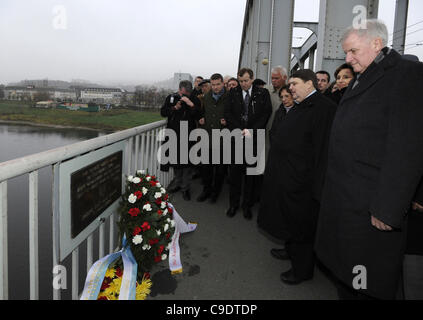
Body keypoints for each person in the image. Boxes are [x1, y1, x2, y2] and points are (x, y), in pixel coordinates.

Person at [315, 19, 423, 300]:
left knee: (367, 281)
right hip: (346, 198)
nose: (347, 59)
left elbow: (408, 147)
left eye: (352, 51)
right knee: (347, 275)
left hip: (370, 204)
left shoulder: (407, 74)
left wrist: (388, 208)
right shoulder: (365, 75)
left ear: (377, 44)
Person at [258, 71, 336, 285]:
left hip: (303, 182)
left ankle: (302, 271)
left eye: (294, 83)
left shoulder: (323, 109)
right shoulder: (301, 105)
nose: (290, 87)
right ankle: (290, 251)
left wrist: (315, 187)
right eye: (290, 83)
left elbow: (322, 151)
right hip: (287, 177)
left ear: (309, 84)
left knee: (302, 227)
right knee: (289, 219)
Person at [224, 68, 272, 220]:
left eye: (245, 81)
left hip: (253, 139)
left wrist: (251, 130)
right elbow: (228, 113)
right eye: (240, 81)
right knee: (235, 175)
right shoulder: (233, 93)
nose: (243, 84)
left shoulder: (262, 93)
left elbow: (266, 113)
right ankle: (233, 205)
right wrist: (239, 130)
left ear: (252, 79)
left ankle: (247, 206)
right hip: (236, 139)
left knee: (250, 176)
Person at [160, 80, 202, 201]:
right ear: (179, 90)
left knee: (187, 164)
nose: (184, 95)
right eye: (183, 93)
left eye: (187, 93)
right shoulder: (171, 97)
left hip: (188, 135)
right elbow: (163, 112)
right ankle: (177, 184)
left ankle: (185, 188)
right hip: (173, 134)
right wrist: (174, 108)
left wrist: (190, 104)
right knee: (175, 161)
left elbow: (199, 116)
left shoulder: (194, 99)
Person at [197, 73, 229, 203]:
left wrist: (228, 121)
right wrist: (200, 119)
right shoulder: (206, 97)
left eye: (218, 84)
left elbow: (235, 115)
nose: (215, 87)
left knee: (220, 170)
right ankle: (206, 190)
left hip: (222, 139)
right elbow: (200, 112)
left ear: (222, 84)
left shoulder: (230, 97)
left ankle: (215, 193)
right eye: (213, 84)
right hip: (207, 137)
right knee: (206, 168)